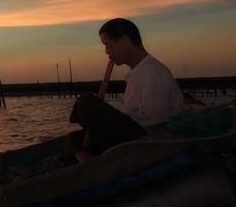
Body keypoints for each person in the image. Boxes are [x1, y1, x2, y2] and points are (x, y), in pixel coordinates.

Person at [64, 18, 184, 162]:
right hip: (138, 133)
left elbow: (155, 124)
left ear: (125, 41)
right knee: (76, 137)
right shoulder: (138, 72)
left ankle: (92, 160)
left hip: (147, 141)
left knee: (86, 101)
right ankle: (76, 161)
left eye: (108, 45)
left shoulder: (152, 72)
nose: (106, 51)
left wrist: (107, 125)